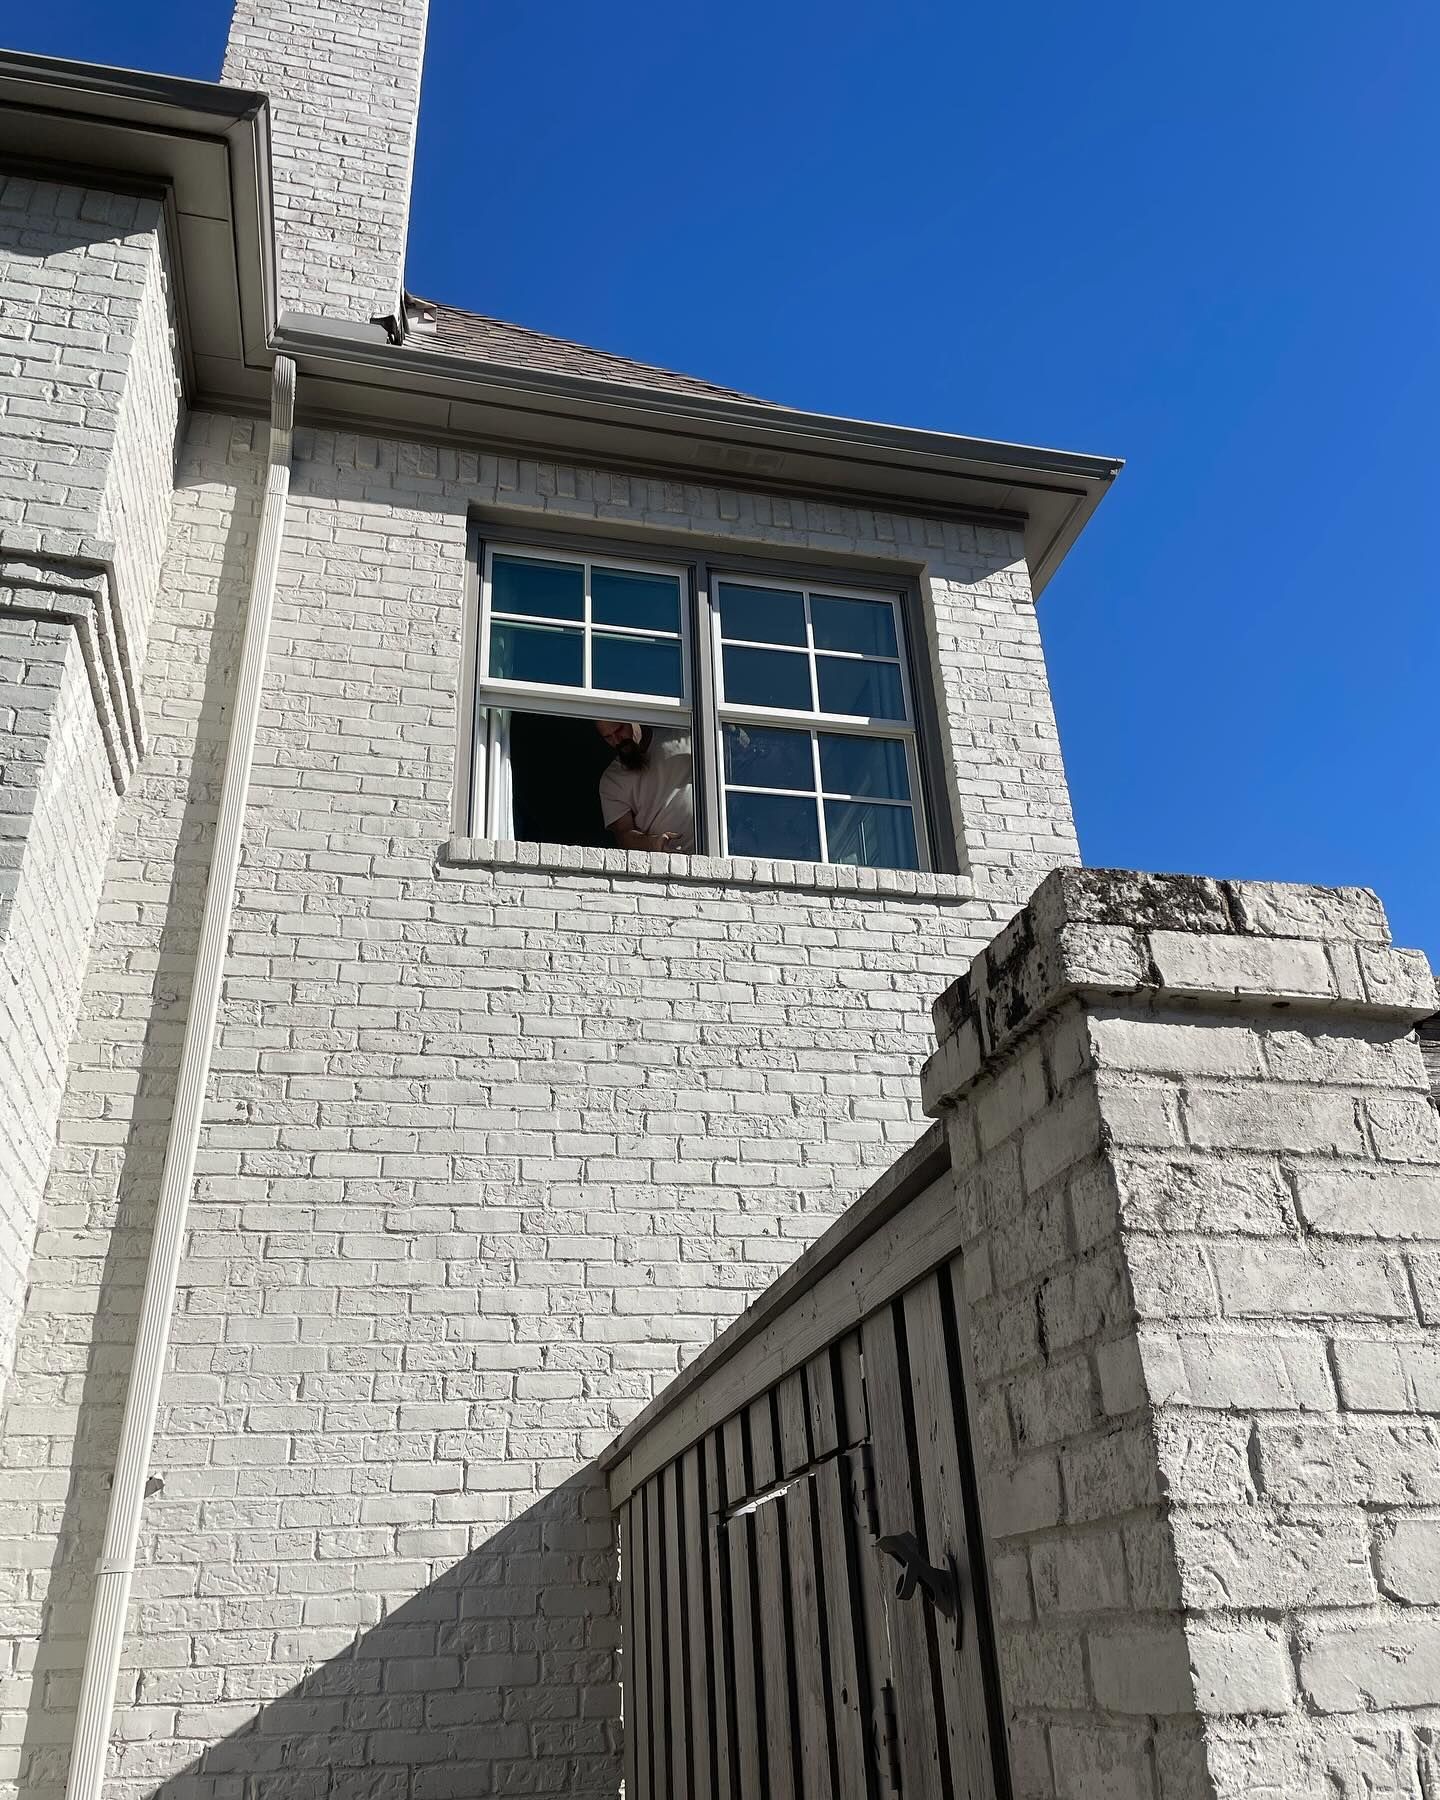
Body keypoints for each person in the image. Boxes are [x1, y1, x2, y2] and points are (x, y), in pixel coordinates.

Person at [595, 720, 694, 852]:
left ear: (634, 718)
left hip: (716, 846)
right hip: (668, 862)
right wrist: (655, 844)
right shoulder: (612, 780)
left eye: (619, 730)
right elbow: (624, 834)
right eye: (608, 737)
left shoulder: (683, 737)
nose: (617, 740)